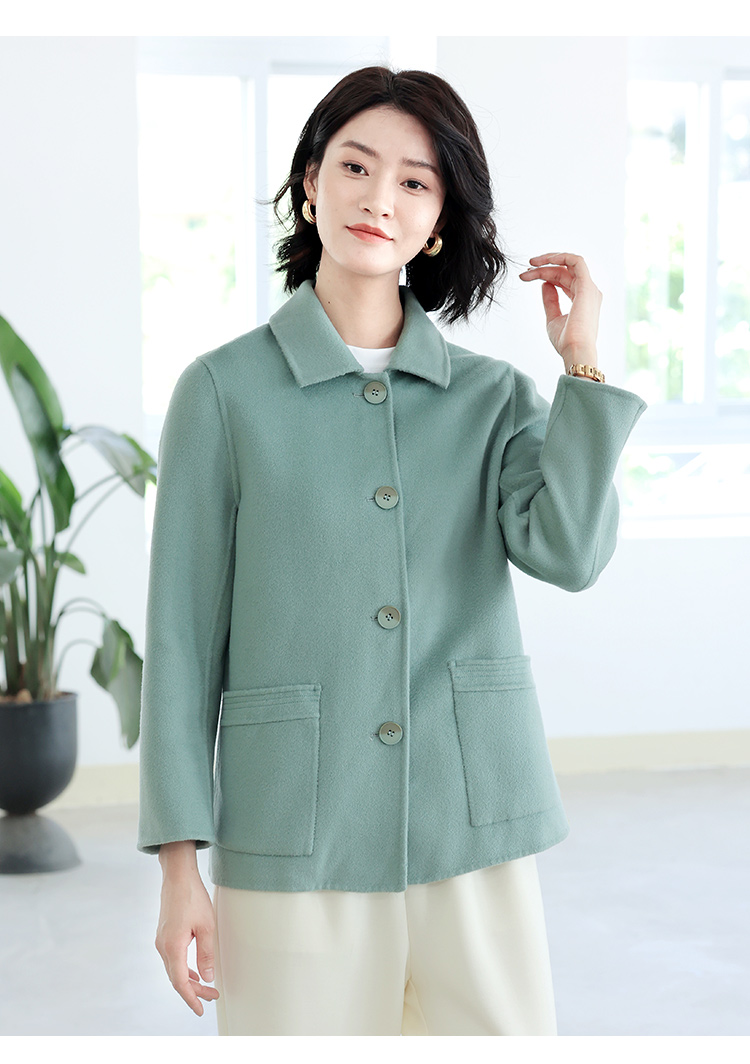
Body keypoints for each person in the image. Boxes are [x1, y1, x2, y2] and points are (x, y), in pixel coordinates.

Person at [137, 65, 648, 1036]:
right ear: (310, 184)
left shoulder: (492, 397)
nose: (380, 198)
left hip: (473, 824)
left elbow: (571, 552)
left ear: (440, 219)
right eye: (356, 166)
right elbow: (180, 642)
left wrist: (580, 364)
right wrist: (177, 869)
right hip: (296, 829)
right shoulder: (222, 394)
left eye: (415, 181)